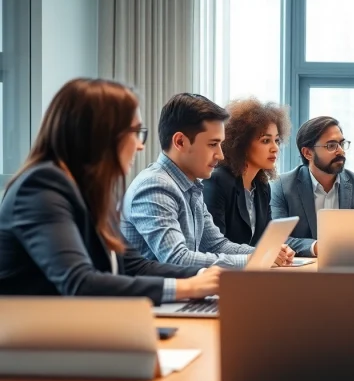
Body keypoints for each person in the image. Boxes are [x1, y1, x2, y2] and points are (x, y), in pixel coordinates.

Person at [0, 78, 219, 305]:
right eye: (135, 132)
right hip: (37, 326)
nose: (140, 145)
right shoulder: (40, 188)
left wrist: (203, 275)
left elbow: (133, 265)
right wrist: (187, 287)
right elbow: (80, 283)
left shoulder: (89, 191)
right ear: (102, 134)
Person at [122, 93, 293, 269]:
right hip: (162, 287)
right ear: (180, 142)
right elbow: (177, 259)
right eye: (212, 144)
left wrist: (266, 254)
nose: (220, 154)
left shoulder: (191, 186)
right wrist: (253, 259)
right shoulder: (155, 186)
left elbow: (216, 245)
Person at [270, 116, 354, 257]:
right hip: (304, 269)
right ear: (308, 153)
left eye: (342, 144)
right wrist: (316, 247)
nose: (341, 151)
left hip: (349, 265)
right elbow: (277, 238)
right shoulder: (283, 186)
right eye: (331, 146)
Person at [203, 97, 292, 248]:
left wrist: (279, 250)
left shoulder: (262, 187)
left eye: (277, 140)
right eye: (266, 141)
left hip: (252, 263)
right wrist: (256, 253)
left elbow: (266, 240)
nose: (275, 148)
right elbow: (213, 246)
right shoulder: (218, 180)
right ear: (241, 143)